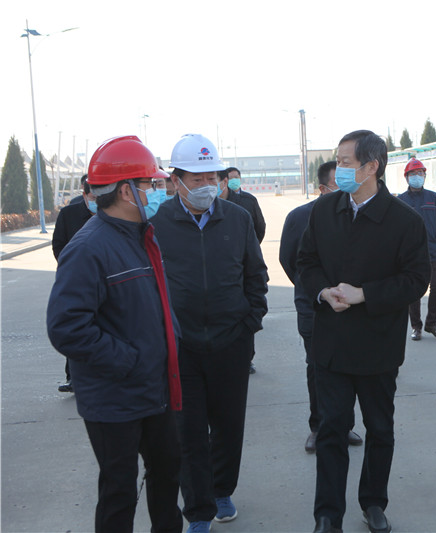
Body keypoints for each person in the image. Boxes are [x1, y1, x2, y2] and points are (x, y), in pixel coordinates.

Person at [46, 135, 182, 533]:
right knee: (119, 491)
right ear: (126, 191)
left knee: (167, 476)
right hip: (114, 398)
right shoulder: (88, 248)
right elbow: (66, 327)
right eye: (150, 184)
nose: (158, 191)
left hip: (156, 388)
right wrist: (129, 360)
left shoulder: (142, 236)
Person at [297, 130, 430, 533]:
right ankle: (327, 514)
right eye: (338, 161)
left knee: (380, 429)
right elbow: (306, 262)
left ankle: (373, 502)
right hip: (331, 345)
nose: (339, 169)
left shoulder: (404, 221)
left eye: (346, 162)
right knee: (331, 430)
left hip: (378, 347)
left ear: (372, 167)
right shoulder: (324, 210)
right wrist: (323, 291)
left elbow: (416, 280)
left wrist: (365, 294)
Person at [151, 134, 269, 532]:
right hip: (180, 348)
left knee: (228, 426)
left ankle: (222, 491)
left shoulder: (237, 219)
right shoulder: (156, 224)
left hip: (231, 343)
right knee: (188, 432)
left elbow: (256, 275)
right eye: (196, 179)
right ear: (176, 181)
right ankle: (199, 511)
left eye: (212, 177)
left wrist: (249, 322)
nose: (206, 186)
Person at [278, 161, 363, 453]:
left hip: (351, 306)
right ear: (322, 189)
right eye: (339, 184)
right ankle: (318, 426)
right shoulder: (300, 217)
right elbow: (289, 260)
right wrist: (315, 289)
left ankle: (344, 424)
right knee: (317, 367)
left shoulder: (357, 214)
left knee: (349, 366)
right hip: (312, 307)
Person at [397, 158, 436, 341]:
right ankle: (416, 326)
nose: (417, 176)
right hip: (411, 256)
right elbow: (394, 227)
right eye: (413, 173)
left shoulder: (434, 198)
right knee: (414, 291)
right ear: (406, 177)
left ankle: (432, 323)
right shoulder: (400, 201)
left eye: (420, 173)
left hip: (433, 252)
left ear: (425, 176)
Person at [219, 166, 266, 374]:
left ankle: (247, 359)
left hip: (245, 260)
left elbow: (260, 227)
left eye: (236, 178)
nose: (233, 181)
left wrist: (249, 248)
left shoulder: (248, 201)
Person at [52, 174, 96, 393]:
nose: (97, 201)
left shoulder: (113, 215)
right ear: (85, 195)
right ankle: (73, 377)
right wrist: (70, 267)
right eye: (93, 196)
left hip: (104, 280)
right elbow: (58, 244)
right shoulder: (69, 214)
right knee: (77, 327)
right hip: (75, 280)